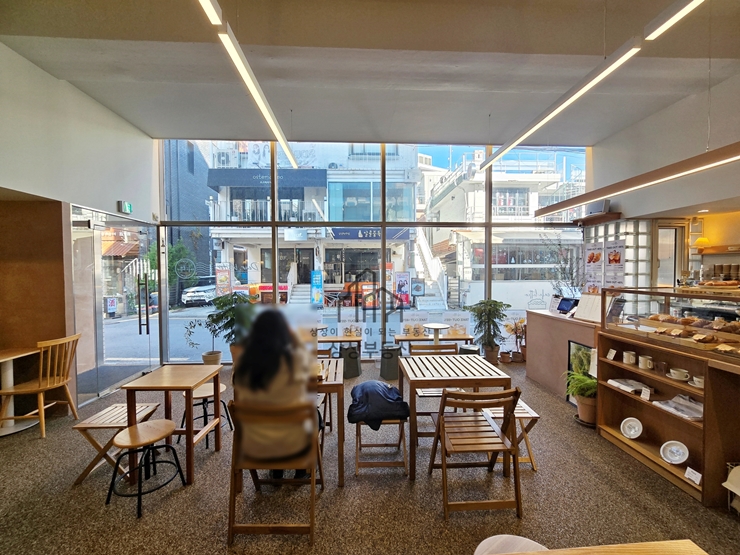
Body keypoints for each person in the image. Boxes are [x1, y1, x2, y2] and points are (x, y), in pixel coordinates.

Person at [232, 309, 314, 479]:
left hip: (255, 440)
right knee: (314, 415)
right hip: (292, 439)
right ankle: (300, 470)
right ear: (285, 333)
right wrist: (294, 337)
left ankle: (276, 469)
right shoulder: (294, 359)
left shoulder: (243, 365)